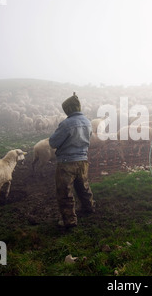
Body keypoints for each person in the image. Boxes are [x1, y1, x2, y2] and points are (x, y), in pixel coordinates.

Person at [49, 92, 96, 229]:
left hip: (66, 163)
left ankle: (69, 220)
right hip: (83, 160)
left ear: (68, 109)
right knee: (83, 187)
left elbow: (53, 142)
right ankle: (89, 208)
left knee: (65, 192)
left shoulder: (66, 124)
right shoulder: (87, 121)